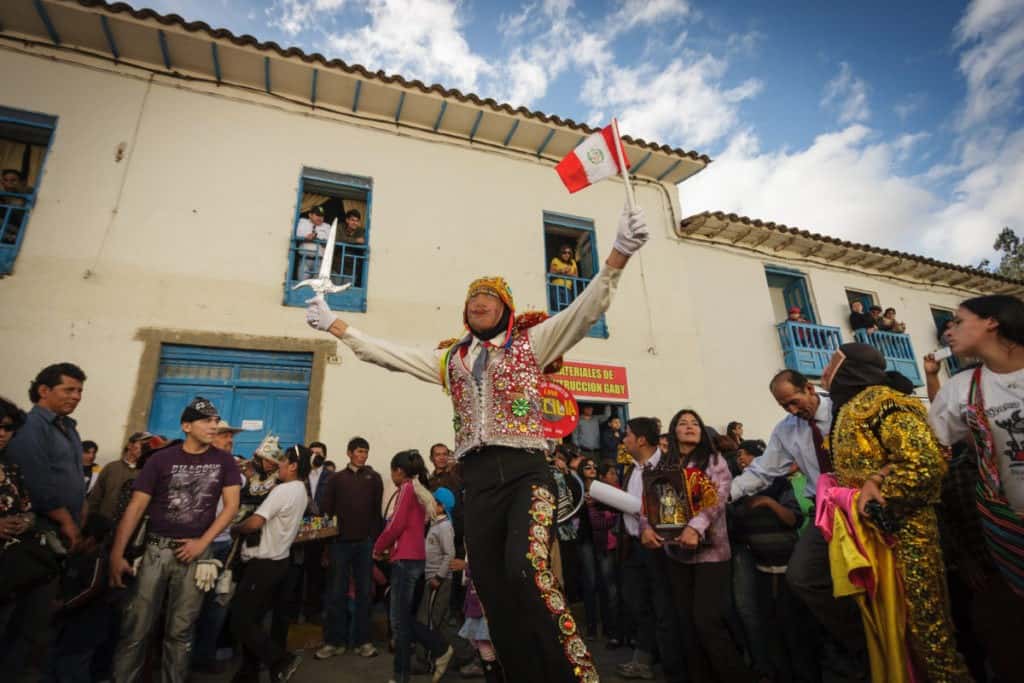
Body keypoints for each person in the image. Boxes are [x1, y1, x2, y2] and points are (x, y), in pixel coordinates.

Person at [305, 204, 650, 682]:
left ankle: (574, 675)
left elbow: (585, 310)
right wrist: (337, 326)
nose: (479, 302)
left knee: (526, 568)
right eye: (473, 298)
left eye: (490, 296)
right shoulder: (451, 359)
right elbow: (390, 356)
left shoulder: (534, 343)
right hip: (479, 481)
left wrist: (617, 254)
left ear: (506, 306)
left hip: (528, 472)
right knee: (489, 584)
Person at [822, 343, 970, 681]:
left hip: (906, 534)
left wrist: (876, 498)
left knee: (926, 631)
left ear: (852, 368)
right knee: (895, 632)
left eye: (834, 363)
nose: (826, 372)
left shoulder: (887, 402)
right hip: (873, 538)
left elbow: (924, 464)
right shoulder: (850, 408)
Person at [730, 369, 867, 677]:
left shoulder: (847, 408)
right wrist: (723, 494)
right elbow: (762, 472)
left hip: (865, 508)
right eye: (784, 407)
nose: (792, 411)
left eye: (793, 402)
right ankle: (858, 641)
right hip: (826, 515)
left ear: (809, 388)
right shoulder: (785, 431)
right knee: (801, 577)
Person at [109, 396, 241, 683]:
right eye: (206, 420)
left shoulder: (225, 461)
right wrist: (116, 554)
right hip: (156, 550)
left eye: (216, 420)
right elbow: (136, 507)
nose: (213, 425)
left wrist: (202, 543)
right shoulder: (161, 460)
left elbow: (231, 506)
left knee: (180, 632)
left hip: (195, 554)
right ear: (186, 425)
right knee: (136, 628)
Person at [926, 295, 1024, 682]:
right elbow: (928, 451)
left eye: (956, 321)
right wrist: (876, 480)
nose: (947, 330)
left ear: (992, 323)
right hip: (1007, 536)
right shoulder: (962, 389)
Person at [644, 409, 753, 682]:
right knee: (686, 624)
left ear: (702, 431)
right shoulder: (662, 465)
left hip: (712, 553)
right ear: (673, 431)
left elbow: (717, 499)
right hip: (676, 553)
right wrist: (646, 528)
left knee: (707, 622)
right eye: (683, 423)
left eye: (695, 423)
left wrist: (695, 526)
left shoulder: (715, 461)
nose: (689, 426)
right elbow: (650, 503)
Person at [2, 363, 87, 677]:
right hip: (38, 536)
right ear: (44, 390)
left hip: (63, 533)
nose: (77, 396)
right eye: (69, 389)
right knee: (26, 619)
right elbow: (38, 483)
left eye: (79, 391)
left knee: (42, 621)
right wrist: (66, 522)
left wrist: (81, 516)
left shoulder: (68, 427)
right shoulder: (30, 427)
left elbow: (75, 477)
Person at [729, 439, 814, 682]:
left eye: (746, 455)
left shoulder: (779, 485)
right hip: (762, 566)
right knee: (771, 623)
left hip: (788, 563)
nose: (741, 460)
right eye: (738, 457)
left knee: (794, 625)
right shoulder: (739, 492)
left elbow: (793, 520)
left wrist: (768, 503)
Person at [229, 443, 310, 683]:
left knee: (240, 619)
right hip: (278, 562)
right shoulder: (300, 490)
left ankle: (280, 659)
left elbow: (255, 523)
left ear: (293, 466)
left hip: (263, 564)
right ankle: (248, 673)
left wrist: (236, 528)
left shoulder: (283, 491)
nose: (279, 468)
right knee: (253, 620)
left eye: (283, 463)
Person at [373, 450, 453, 683]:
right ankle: (408, 671)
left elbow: (395, 524)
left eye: (393, 472)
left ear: (399, 471)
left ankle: (434, 652)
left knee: (399, 621)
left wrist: (378, 548)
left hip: (405, 559)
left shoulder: (407, 489)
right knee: (402, 619)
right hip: (415, 557)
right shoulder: (419, 489)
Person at [616, 417, 685, 681]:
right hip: (634, 546)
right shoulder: (631, 469)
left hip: (660, 546)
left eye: (628, 435)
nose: (624, 440)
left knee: (663, 605)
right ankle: (644, 659)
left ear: (641, 439)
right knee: (637, 602)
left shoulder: (668, 465)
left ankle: (672, 667)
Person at [0, 396, 55, 681]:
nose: (1, 432)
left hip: (10, 568)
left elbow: (29, 509)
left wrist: (25, 521)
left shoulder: (11, 468)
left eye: (8, 428)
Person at [316, 436, 383, 660]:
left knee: (365, 593)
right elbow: (326, 509)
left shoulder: (374, 478)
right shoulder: (336, 479)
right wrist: (328, 544)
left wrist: (374, 540)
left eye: (365, 451)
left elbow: (376, 513)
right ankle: (333, 642)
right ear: (349, 453)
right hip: (339, 544)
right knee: (336, 593)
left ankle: (363, 641)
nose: (363, 455)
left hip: (364, 544)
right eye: (359, 451)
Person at [192, 419, 246, 674]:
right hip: (201, 545)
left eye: (231, 436)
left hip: (223, 544)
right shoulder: (200, 466)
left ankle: (203, 656)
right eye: (225, 435)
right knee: (190, 603)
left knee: (217, 603)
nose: (230, 440)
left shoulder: (232, 468)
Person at [49, 514, 115, 683]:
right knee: (59, 665)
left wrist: (64, 605)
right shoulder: (77, 556)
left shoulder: (99, 559)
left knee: (74, 669)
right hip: (69, 624)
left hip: (87, 628)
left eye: (81, 537)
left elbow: (92, 589)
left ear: (91, 539)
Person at [87, 431, 151, 524]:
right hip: (102, 525)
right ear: (130, 445)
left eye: (148, 446)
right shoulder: (111, 467)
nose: (145, 448)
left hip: (130, 526)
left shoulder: (148, 472)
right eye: (142, 444)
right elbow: (95, 498)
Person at [294, 205, 331, 280]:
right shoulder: (303, 222)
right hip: (304, 259)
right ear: (310, 215)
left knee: (316, 288)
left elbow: (329, 240)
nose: (320, 218)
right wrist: (306, 237)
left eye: (322, 216)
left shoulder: (327, 226)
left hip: (319, 261)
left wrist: (316, 237)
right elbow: (298, 234)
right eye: (317, 215)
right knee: (302, 285)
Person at [549, 243, 579, 310]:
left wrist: (567, 274)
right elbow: (551, 272)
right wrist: (561, 271)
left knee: (566, 308)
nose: (567, 254)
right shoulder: (555, 260)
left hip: (567, 287)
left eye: (569, 253)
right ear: (561, 253)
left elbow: (576, 276)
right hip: (556, 286)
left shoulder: (573, 262)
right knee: (557, 307)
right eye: (564, 252)